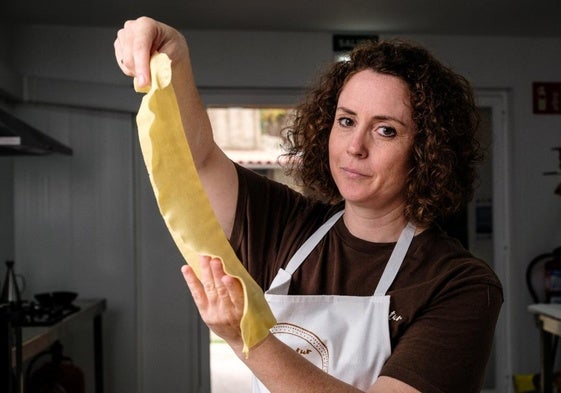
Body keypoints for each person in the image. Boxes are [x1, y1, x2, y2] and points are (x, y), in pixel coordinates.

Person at [115, 17, 503, 393]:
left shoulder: (460, 285)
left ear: (428, 152)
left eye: (386, 130)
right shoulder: (287, 224)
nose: (355, 147)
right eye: (347, 121)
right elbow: (196, 159)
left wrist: (245, 338)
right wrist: (175, 60)